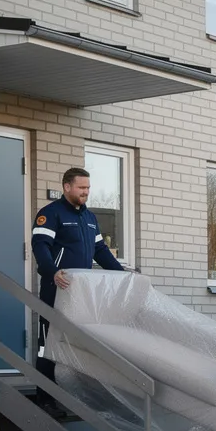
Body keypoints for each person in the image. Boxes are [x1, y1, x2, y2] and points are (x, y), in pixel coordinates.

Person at [30, 167, 124, 412]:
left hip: (80, 293)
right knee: (48, 343)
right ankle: (45, 397)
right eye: (82, 188)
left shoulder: (89, 218)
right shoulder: (50, 214)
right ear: (67, 187)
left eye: (88, 188)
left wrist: (123, 276)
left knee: (75, 343)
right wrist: (52, 271)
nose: (86, 192)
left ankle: (70, 394)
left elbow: (101, 251)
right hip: (56, 287)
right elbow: (41, 246)